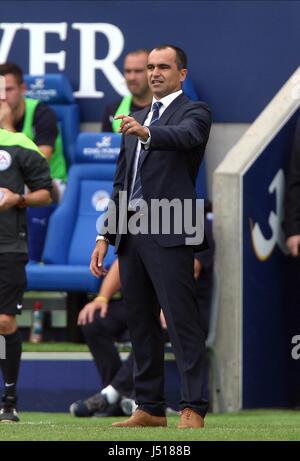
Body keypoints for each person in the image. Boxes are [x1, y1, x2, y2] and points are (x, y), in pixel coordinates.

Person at [90, 45, 212, 429]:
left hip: (172, 227)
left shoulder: (196, 111)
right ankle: (149, 407)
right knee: (141, 324)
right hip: (132, 234)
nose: (155, 73)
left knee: (180, 323)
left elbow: (186, 137)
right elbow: (121, 184)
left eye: (163, 66)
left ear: (182, 74)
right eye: (150, 67)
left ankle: (194, 406)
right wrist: (105, 236)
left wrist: (147, 132)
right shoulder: (136, 120)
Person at [70, 204, 214, 418]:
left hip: (178, 306)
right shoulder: (137, 214)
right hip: (142, 302)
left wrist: (170, 304)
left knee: (155, 324)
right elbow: (123, 262)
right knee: (94, 320)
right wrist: (101, 298)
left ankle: (111, 394)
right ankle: (124, 396)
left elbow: (189, 267)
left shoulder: (187, 216)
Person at [0, 127, 52, 422]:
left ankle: (9, 399)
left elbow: (46, 194)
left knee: (4, 322)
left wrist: (17, 199)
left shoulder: (18, 143)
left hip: (8, 247)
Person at [0, 63, 67, 198]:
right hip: (7, 181)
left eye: (8, 89)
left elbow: (39, 165)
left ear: (23, 88)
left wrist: (7, 127)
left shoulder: (43, 114)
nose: (3, 97)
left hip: (49, 182)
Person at [102, 49, 152, 133]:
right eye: (128, 71)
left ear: (152, 72)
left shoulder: (166, 108)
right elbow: (106, 144)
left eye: (138, 71)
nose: (132, 77)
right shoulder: (113, 110)